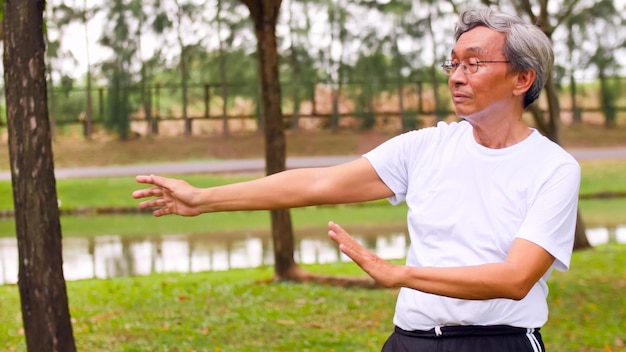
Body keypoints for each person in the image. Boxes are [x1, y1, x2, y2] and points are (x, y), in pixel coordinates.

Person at [132, 8, 580, 352]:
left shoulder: (553, 168)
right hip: (411, 340)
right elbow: (316, 185)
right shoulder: (424, 147)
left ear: (523, 77)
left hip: (500, 342)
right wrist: (203, 198)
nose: (457, 77)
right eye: (453, 64)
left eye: (475, 63)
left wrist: (400, 274)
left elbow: (516, 278)